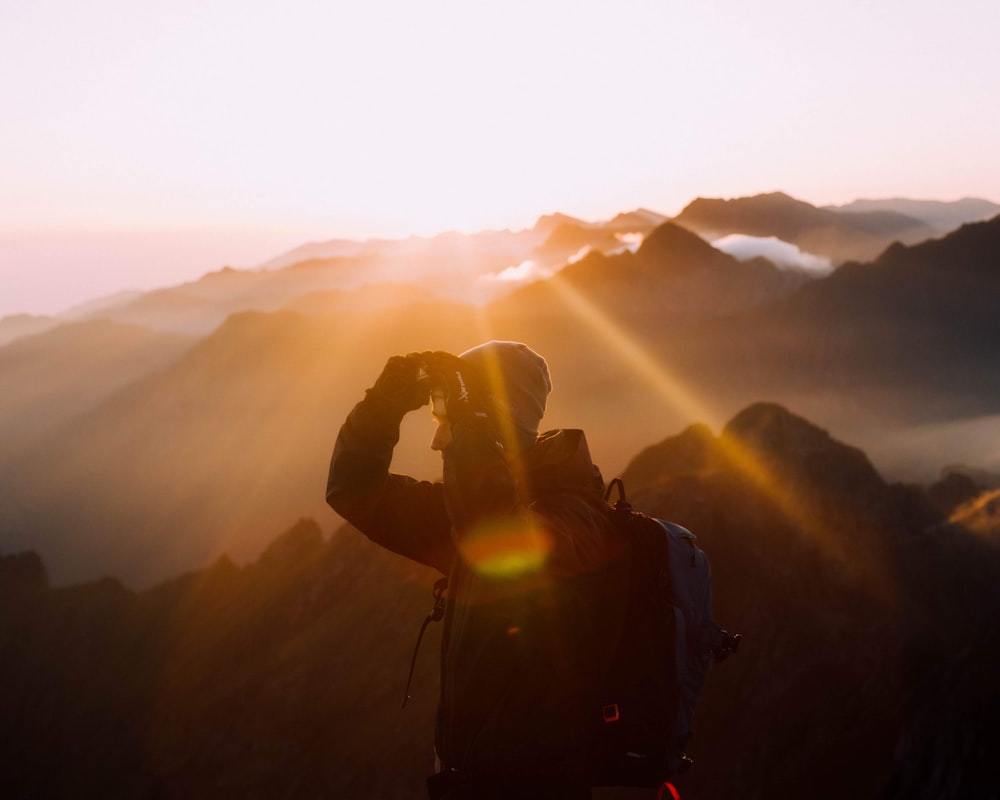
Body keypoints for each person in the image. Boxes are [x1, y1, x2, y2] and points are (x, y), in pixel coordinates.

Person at [326, 341, 623, 800]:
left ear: (495, 424)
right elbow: (352, 489)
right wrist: (381, 406)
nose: (438, 440)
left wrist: (469, 428)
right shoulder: (470, 512)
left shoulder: (575, 520)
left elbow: (496, 545)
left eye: (450, 422)